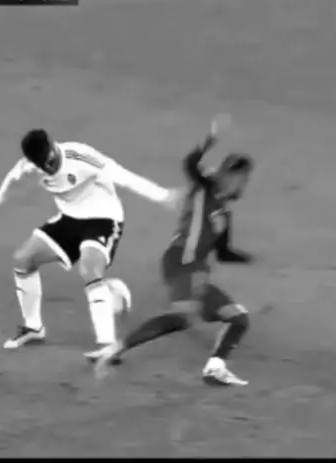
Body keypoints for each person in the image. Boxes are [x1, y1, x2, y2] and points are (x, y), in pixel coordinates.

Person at [0, 129, 179, 354]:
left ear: (53, 145)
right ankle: (33, 327)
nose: (49, 168)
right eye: (43, 166)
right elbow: (13, 177)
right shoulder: (30, 165)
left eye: (50, 161)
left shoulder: (80, 156)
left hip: (103, 219)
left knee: (89, 270)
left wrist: (162, 195)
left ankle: (107, 346)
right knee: (24, 259)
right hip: (69, 219)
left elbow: (123, 176)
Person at [93, 118, 255, 386]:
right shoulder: (205, 188)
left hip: (197, 270)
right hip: (182, 260)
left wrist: (252, 258)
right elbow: (190, 163)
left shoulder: (224, 215)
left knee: (238, 318)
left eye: (244, 179)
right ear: (224, 175)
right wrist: (210, 138)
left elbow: (224, 252)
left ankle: (215, 367)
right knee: (183, 317)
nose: (240, 184)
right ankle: (115, 348)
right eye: (237, 177)